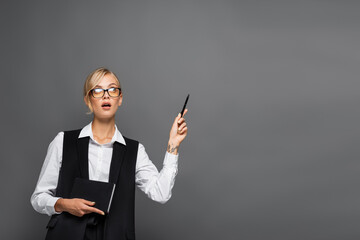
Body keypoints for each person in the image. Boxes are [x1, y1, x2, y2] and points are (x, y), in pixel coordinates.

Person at [30, 67, 188, 240]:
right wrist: (63, 204)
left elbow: (161, 193)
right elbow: (38, 198)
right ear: (88, 99)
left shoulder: (134, 151)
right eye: (97, 90)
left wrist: (173, 145)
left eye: (112, 89)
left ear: (120, 99)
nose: (106, 95)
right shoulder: (63, 141)